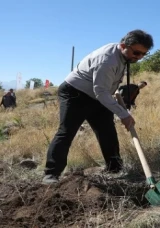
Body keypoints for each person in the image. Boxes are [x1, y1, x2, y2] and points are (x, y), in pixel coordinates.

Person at [42, 29, 154, 184]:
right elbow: (100, 91)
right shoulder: (107, 60)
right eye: (136, 53)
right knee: (66, 132)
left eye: (143, 54)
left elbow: (105, 89)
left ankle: (115, 168)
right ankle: (51, 174)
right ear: (123, 45)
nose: (139, 57)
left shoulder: (123, 56)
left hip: (99, 95)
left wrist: (121, 107)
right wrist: (123, 114)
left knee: (107, 131)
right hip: (76, 94)